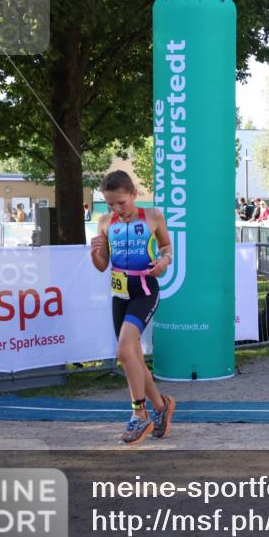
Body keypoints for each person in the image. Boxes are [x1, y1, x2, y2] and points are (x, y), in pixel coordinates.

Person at [89, 170, 176, 444]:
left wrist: (164, 262)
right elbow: (102, 265)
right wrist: (95, 251)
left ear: (134, 195)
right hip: (120, 294)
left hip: (145, 290)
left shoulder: (152, 217)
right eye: (110, 204)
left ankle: (140, 415)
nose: (117, 209)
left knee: (125, 349)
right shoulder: (104, 223)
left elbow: (166, 247)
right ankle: (162, 407)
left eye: (121, 203)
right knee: (132, 357)